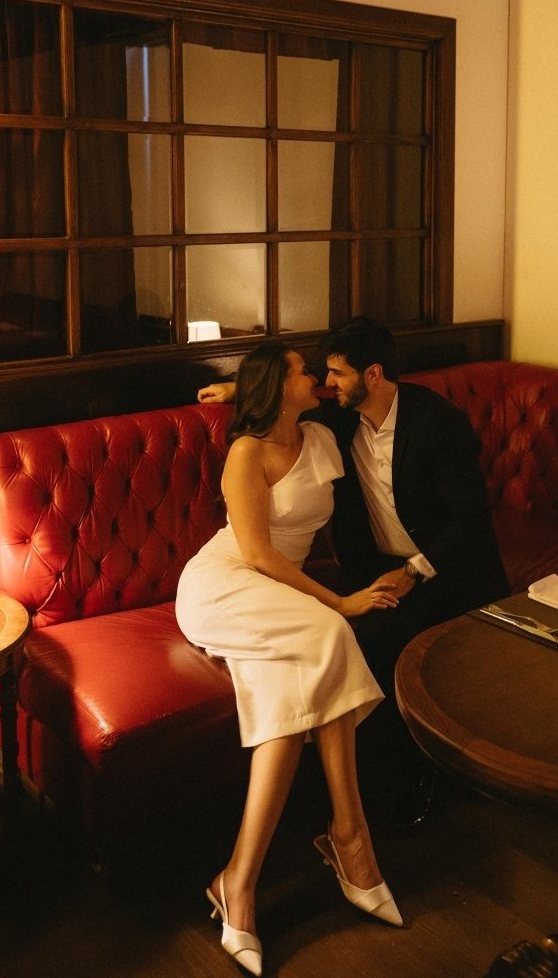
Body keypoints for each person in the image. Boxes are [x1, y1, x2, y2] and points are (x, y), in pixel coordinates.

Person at [198, 317, 508, 823]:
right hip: (376, 572)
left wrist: (413, 571)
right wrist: (239, 388)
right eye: (323, 374)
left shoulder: (438, 423)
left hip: (449, 571)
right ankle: (370, 796)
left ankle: (416, 785)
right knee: (362, 639)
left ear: (374, 375)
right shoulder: (339, 420)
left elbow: (471, 522)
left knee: (383, 639)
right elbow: (282, 403)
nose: (328, 383)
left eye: (338, 374)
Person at [178, 341, 404, 977]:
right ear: (279, 386)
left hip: (280, 599)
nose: (319, 377)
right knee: (332, 632)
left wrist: (397, 570)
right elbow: (256, 554)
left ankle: (237, 881)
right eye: (305, 371)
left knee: (287, 699)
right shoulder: (246, 453)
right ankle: (351, 836)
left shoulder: (322, 435)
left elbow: (340, 413)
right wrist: (342, 602)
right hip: (226, 585)